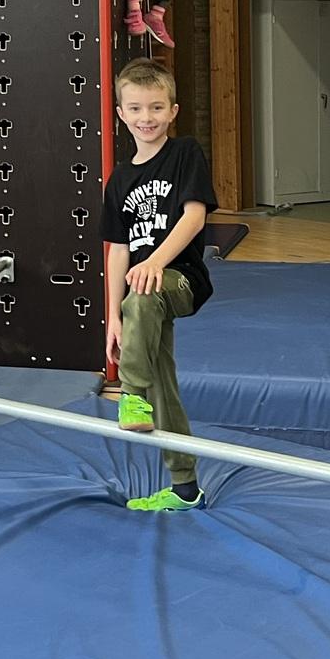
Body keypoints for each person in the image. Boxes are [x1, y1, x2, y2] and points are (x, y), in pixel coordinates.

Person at [103, 57, 217, 512]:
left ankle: (129, 394)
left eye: (155, 108)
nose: (145, 118)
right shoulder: (118, 180)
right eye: (135, 108)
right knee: (163, 382)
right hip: (141, 294)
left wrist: (155, 261)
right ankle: (186, 486)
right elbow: (116, 250)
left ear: (173, 111)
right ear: (121, 114)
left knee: (147, 291)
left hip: (181, 279)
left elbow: (194, 216)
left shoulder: (184, 152)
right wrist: (114, 315)